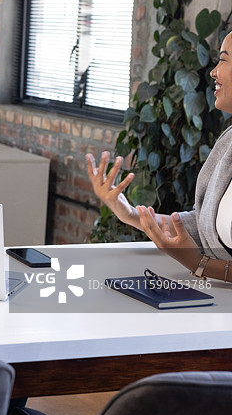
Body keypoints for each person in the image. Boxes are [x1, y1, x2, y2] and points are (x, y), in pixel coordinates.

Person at [87, 31, 232, 281]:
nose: (213, 71)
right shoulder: (228, 141)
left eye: (224, 59)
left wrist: (200, 265)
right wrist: (129, 213)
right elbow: (202, 225)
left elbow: (201, 255)